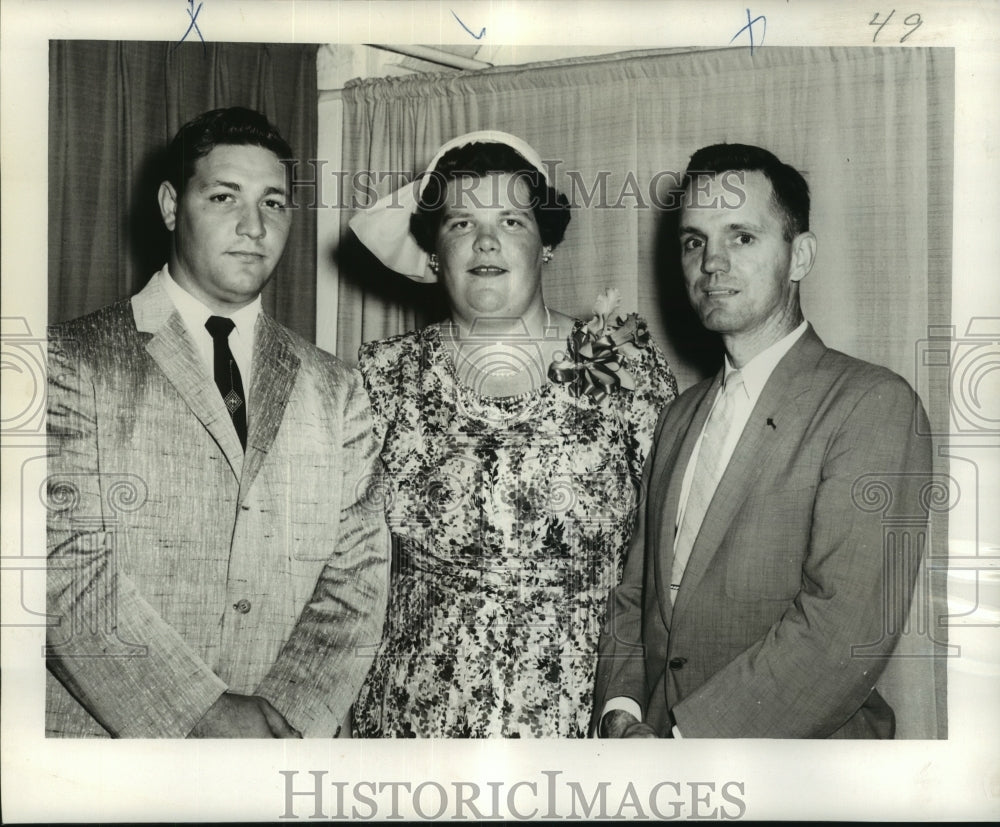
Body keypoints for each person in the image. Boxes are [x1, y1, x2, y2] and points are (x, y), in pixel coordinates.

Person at [45, 107, 389, 738]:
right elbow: (60, 568)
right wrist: (198, 713)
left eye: (275, 203)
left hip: (278, 757)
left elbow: (358, 580)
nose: (253, 226)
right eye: (224, 196)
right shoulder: (67, 360)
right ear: (172, 205)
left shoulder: (336, 388)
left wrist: (283, 722)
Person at [594, 143, 933, 739]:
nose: (712, 263)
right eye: (694, 241)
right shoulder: (678, 416)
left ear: (800, 255)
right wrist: (620, 712)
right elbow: (635, 593)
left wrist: (683, 742)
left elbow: (844, 632)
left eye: (742, 237)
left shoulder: (871, 405)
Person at [346, 131, 678, 737]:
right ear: (433, 253)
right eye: (461, 223)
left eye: (512, 221)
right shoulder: (382, 376)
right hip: (415, 718)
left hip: (584, 715)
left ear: (546, 243)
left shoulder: (623, 365)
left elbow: (670, 551)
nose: (487, 241)